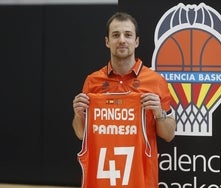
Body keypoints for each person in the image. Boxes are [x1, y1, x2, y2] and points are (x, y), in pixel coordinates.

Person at [72, 12, 176, 188]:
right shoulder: (92, 81)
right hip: (101, 180)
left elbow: (169, 135)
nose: (122, 40)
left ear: (136, 41)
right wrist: (78, 114)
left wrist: (159, 113)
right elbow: (81, 134)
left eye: (128, 35)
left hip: (141, 179)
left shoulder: (156, 81)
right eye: (115, 35)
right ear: (107, 42)